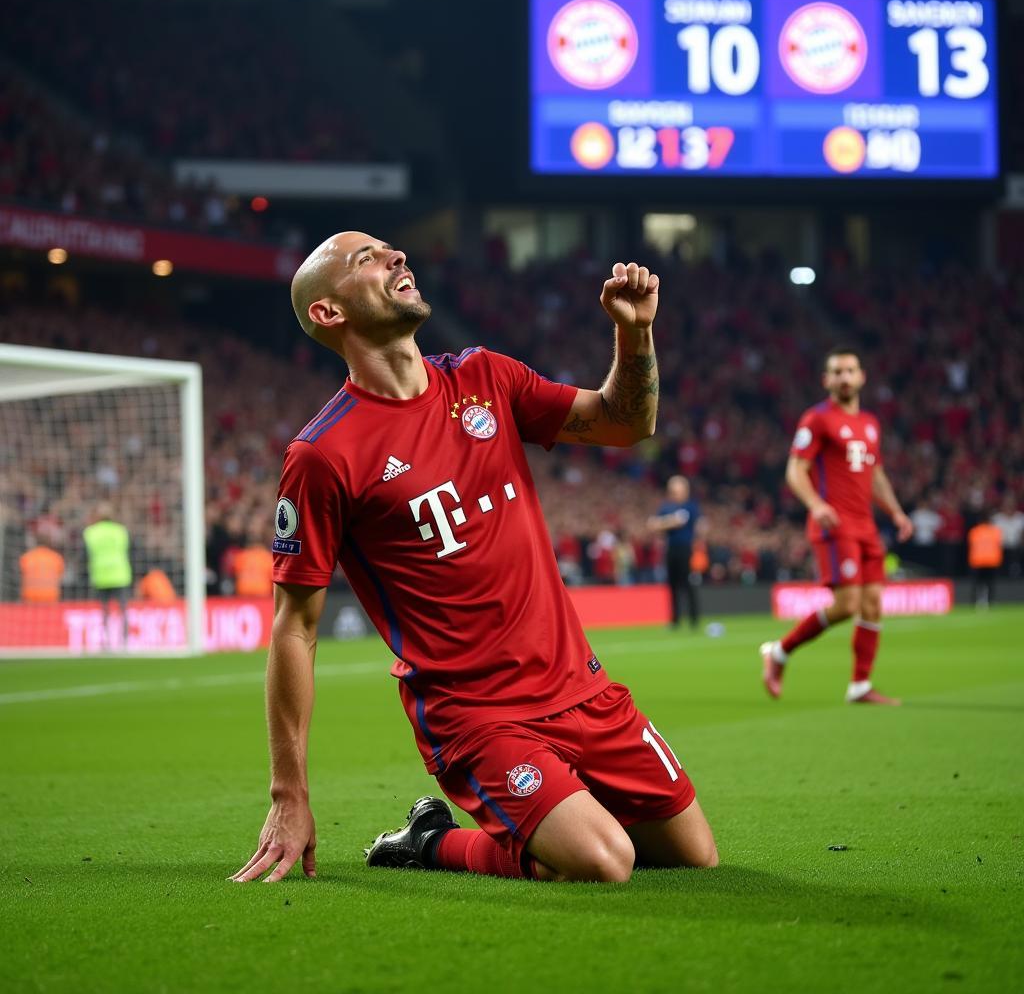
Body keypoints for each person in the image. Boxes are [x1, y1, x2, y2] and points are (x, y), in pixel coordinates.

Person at [231, 232, 717, 886]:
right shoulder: (324, 455)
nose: (397, 256)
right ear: (328, 313)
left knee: (693, 855)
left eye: (391, 250)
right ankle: (432, 844)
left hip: (584, 688)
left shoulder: (485, 376)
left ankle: (551, 814)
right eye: (364, 260)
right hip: (479, 716)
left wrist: (635, 335)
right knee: (605, 863)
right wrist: (289, 797)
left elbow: (623, 424)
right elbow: (295, 626)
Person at [759, 348, 913, 705]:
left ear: (862, 377)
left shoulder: (871, 424)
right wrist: (816, 504)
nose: (844, 377)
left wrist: (896, 513)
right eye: (837, 372)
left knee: (873, 603)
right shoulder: (817, 419)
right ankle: (780, 651)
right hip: (835, 524)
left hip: (866, 526)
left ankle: (860, 685)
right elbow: (795, 469)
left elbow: (875, 474)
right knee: (847, 605)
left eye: (850, 370)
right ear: (826, 380)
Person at [647, 475, 702, 630]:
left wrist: (663, 523)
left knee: (687, 583)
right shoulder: (666, 506)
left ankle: (694, 619)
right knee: (672, 585)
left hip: (686, 549)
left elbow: (678, 522)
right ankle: (675, 620)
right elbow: (653, 525)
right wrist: (670, 522)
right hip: (671, 548)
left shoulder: (691, 506)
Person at [82, 503, 132, 650]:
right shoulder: (121, 531)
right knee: (123, 610)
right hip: (120, 574)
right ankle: (125, 642)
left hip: (100, 575)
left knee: (105, 611)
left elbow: (86, 554)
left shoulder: (90, 532)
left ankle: (106, 642)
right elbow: (127, 549)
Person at [966, 514, 1003, 609]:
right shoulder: (996, 531)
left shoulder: (974, 531)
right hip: (992, 561)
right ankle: (990, 601)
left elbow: (971, 544)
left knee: (977, 583)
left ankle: (975, 601)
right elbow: (999, 545)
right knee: (990, 583)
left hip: (977, 561)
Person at [19, 536, 65, 603]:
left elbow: (21, 575)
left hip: (30, 596)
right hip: (51, 596)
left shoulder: (26, 557)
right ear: (49, 544)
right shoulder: (57, 558)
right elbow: (60, 576)